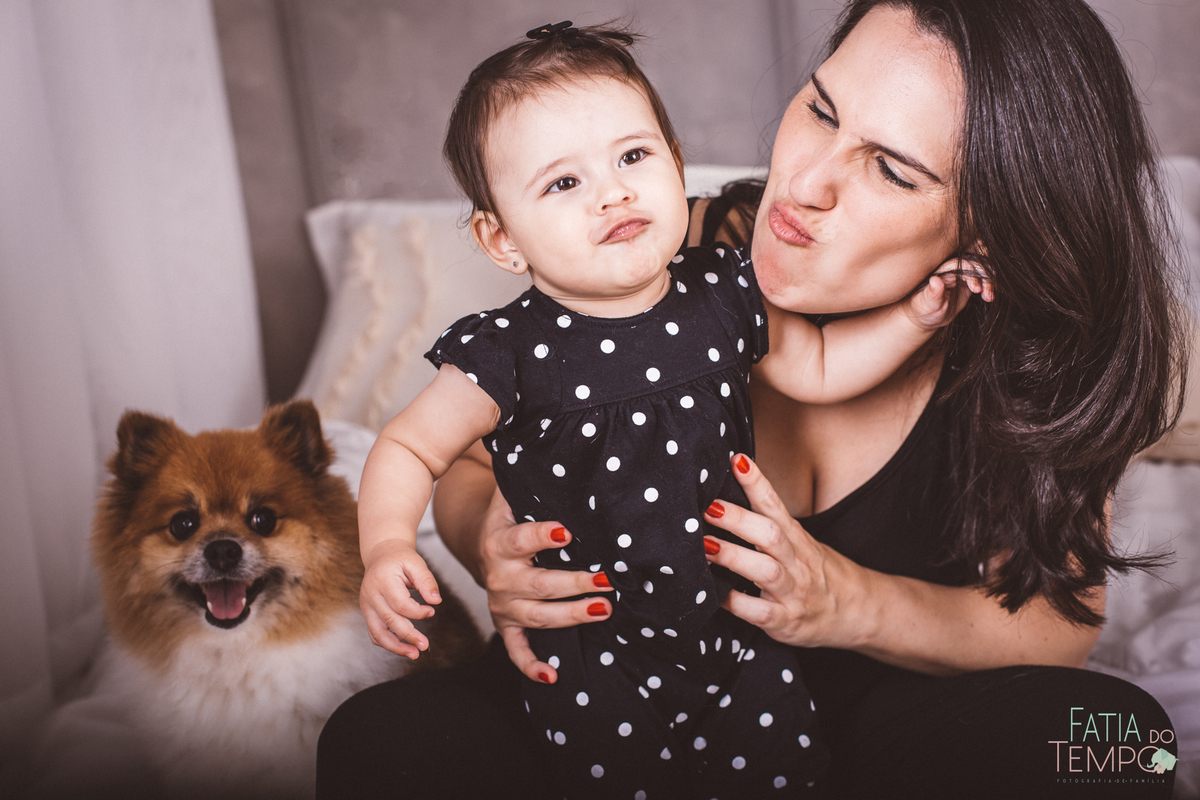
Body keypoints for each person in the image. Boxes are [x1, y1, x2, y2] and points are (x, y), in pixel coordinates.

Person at [318, 1, 1186, 798]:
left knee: (1125, 743)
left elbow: (1054, 628)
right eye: (819, 109)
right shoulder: (657, 257)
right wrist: (491, 550)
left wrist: (845, 602)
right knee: (381, 742)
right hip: (618, 683)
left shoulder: (1028, 357)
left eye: (889, 168)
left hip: (872, 712)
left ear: (997, 218)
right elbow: (463, 453)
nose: (803, 185)